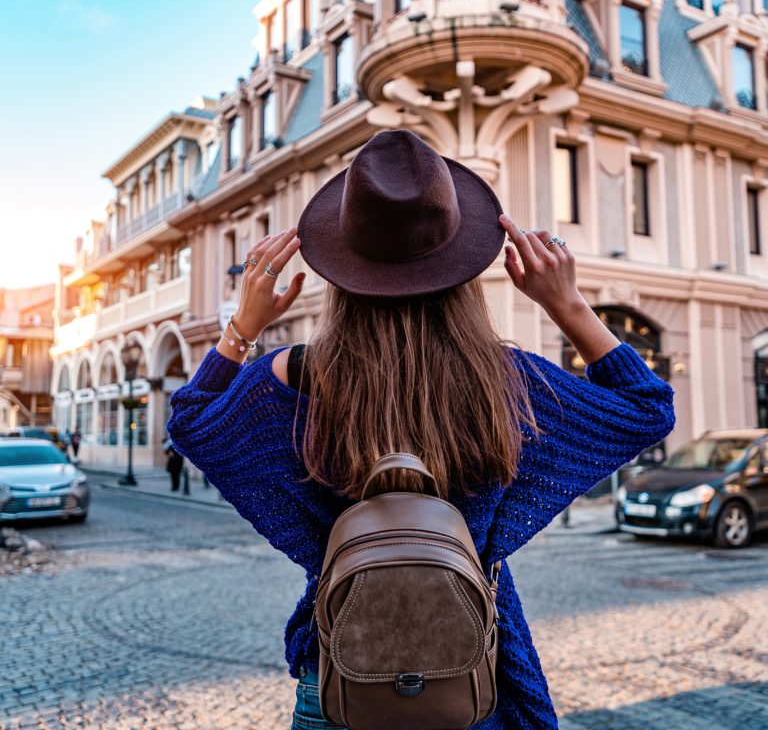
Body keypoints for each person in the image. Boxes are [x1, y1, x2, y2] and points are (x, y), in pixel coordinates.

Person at [167, 130, 675, 730]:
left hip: (340, 677)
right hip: (465, 666)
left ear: (343, 266)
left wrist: (242, 327)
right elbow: (647, 406)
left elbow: (191, 420)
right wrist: (565, 304)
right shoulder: (507, 382)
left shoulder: (290, 380)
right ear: (460, 264)